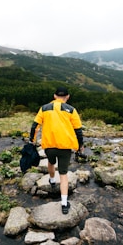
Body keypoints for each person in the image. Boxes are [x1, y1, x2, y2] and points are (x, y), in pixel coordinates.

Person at [29, 86, 84, 214]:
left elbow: (35, 126)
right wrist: (80, 145)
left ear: (54, 96)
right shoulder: (71, 110)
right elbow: (78, 130)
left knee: (51, 162)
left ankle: (52, 180)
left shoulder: (44, 108)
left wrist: (32, 139)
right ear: (67, 96)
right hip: (65, 146)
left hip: (49, 145)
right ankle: (64, 204)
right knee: (64, 174)